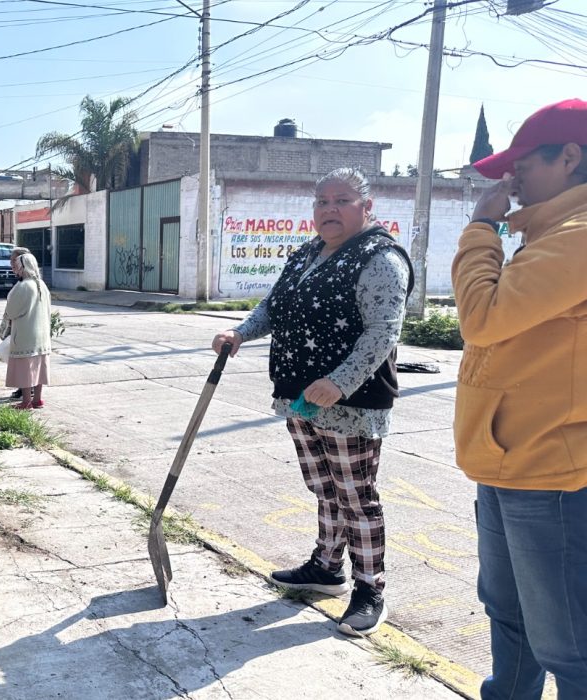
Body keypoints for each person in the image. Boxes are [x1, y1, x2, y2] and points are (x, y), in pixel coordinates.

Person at [211, 167, 412, 637]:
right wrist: (239, 332)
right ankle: (326, 568)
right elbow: (273, 306)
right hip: (300, 396)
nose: (328, 209)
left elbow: (383, 332)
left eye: (341, 200)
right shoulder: (307, 253)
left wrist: (339, 382)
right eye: (321, 201)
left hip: (352, 401)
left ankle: (370, 588)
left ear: (367, 207)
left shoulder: (380, 257)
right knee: (324, 488)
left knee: (356, 496)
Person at [452, 98, 587, 700]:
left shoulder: (578, 237)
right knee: (508, 616)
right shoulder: (551, 233)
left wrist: (483, 227)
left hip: (549, 471)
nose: (511, 179)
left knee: (569, 645)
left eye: (523, 164)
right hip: (507, 458)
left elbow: (482, 319)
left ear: (569, 157)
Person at [0, 252, 51, 410]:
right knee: (39, 368)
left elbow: (12, 311)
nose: (16, 270)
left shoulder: (23, 286)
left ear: (23, 267)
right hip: (42, 335)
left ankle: (26, 402)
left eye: (18, 267)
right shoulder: (41, 285)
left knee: (26, 369)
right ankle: (38, 400)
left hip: (25, 334)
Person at [8, 246, 32, 400]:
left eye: (13, 261)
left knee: (25, 362)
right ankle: (24, 389)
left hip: (26, 328)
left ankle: (26, 394)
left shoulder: (27, 283)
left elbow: (14, 310)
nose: (11, 264)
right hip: (23, 327)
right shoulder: (25, 280)